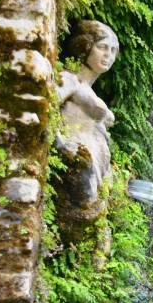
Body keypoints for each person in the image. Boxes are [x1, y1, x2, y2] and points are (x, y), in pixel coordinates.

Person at [55, 20, 119, 206]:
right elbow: (47, 110)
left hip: (96, 171)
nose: (108, 55)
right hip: (77, 166)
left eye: (113, 50)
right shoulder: (69, 79)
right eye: (102, 47)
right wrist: (61, 144)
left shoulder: (90, 91)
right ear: (86, 46)